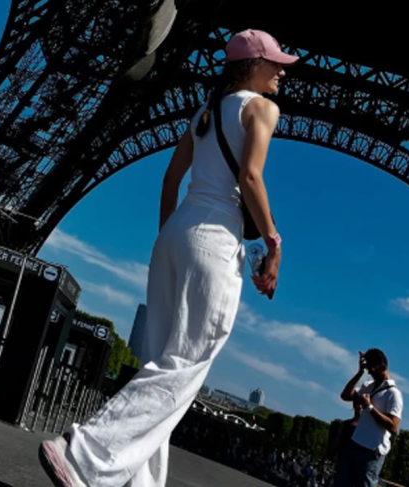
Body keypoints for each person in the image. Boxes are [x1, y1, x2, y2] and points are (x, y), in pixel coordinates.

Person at [39, 29, 298, 487]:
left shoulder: (204, 113)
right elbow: (250, 177)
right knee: (185, 365)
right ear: (254, 65)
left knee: (160, 366)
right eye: (276, 62)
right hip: (214, 240)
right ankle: (81, 452)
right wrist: (274, 244)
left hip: (177, 232)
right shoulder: (262, 108)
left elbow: (170, 179)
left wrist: (169, 238)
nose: (282, 71)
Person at [334, 348, 404, 487]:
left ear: (382, 367)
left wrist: (370, 407)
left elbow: (394, 427)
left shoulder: (393, 394)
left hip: (372, 451)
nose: (369, 372)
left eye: (372, 368)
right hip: (355, 443)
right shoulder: (368, 387)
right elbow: (345, 395)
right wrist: (359, 373)